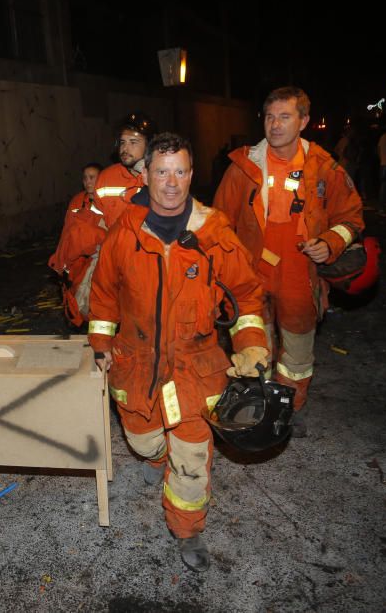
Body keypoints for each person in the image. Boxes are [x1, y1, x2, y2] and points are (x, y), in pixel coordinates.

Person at [88, 132, 268, 572]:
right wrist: (101, 344)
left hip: (195, 364)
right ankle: (154, 455)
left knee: (191, 454)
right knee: (142, 439)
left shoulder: (214, 230)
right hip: (135, 364)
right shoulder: (124, 232)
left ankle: (188, 529)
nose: (171, 182)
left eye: (181, 171)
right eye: (162, 171)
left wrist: (250, 343)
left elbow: (246, 295)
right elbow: (104, 295)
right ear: (145, 174)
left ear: (192, 175)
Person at [212, 87, 364, 434]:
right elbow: (218, 223)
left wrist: (329, 243)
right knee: (253, 346)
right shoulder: (243, 166)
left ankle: (289, 408)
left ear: (304, 121)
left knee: (296, 352)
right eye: (269, 116)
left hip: (299, 274)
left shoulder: (324, 168)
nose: (275, 124)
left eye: (285, 116)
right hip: (251, 274)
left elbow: (352, 217)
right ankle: (257, 405)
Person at [48, 163, 106, 326]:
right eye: (85, 178)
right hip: (77, 258)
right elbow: (67, 232)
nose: (88, 182)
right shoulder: (77, 201)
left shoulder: (107, 202)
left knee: (96, 299)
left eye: (92, 177)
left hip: (97, 257)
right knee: (76, 293)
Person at [92, 112, 157, 227]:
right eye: (122, 142)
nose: (125, 149)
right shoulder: (106, 177)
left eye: (133, 142)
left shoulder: (160, 178)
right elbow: (96, 220)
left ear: (149, 146)